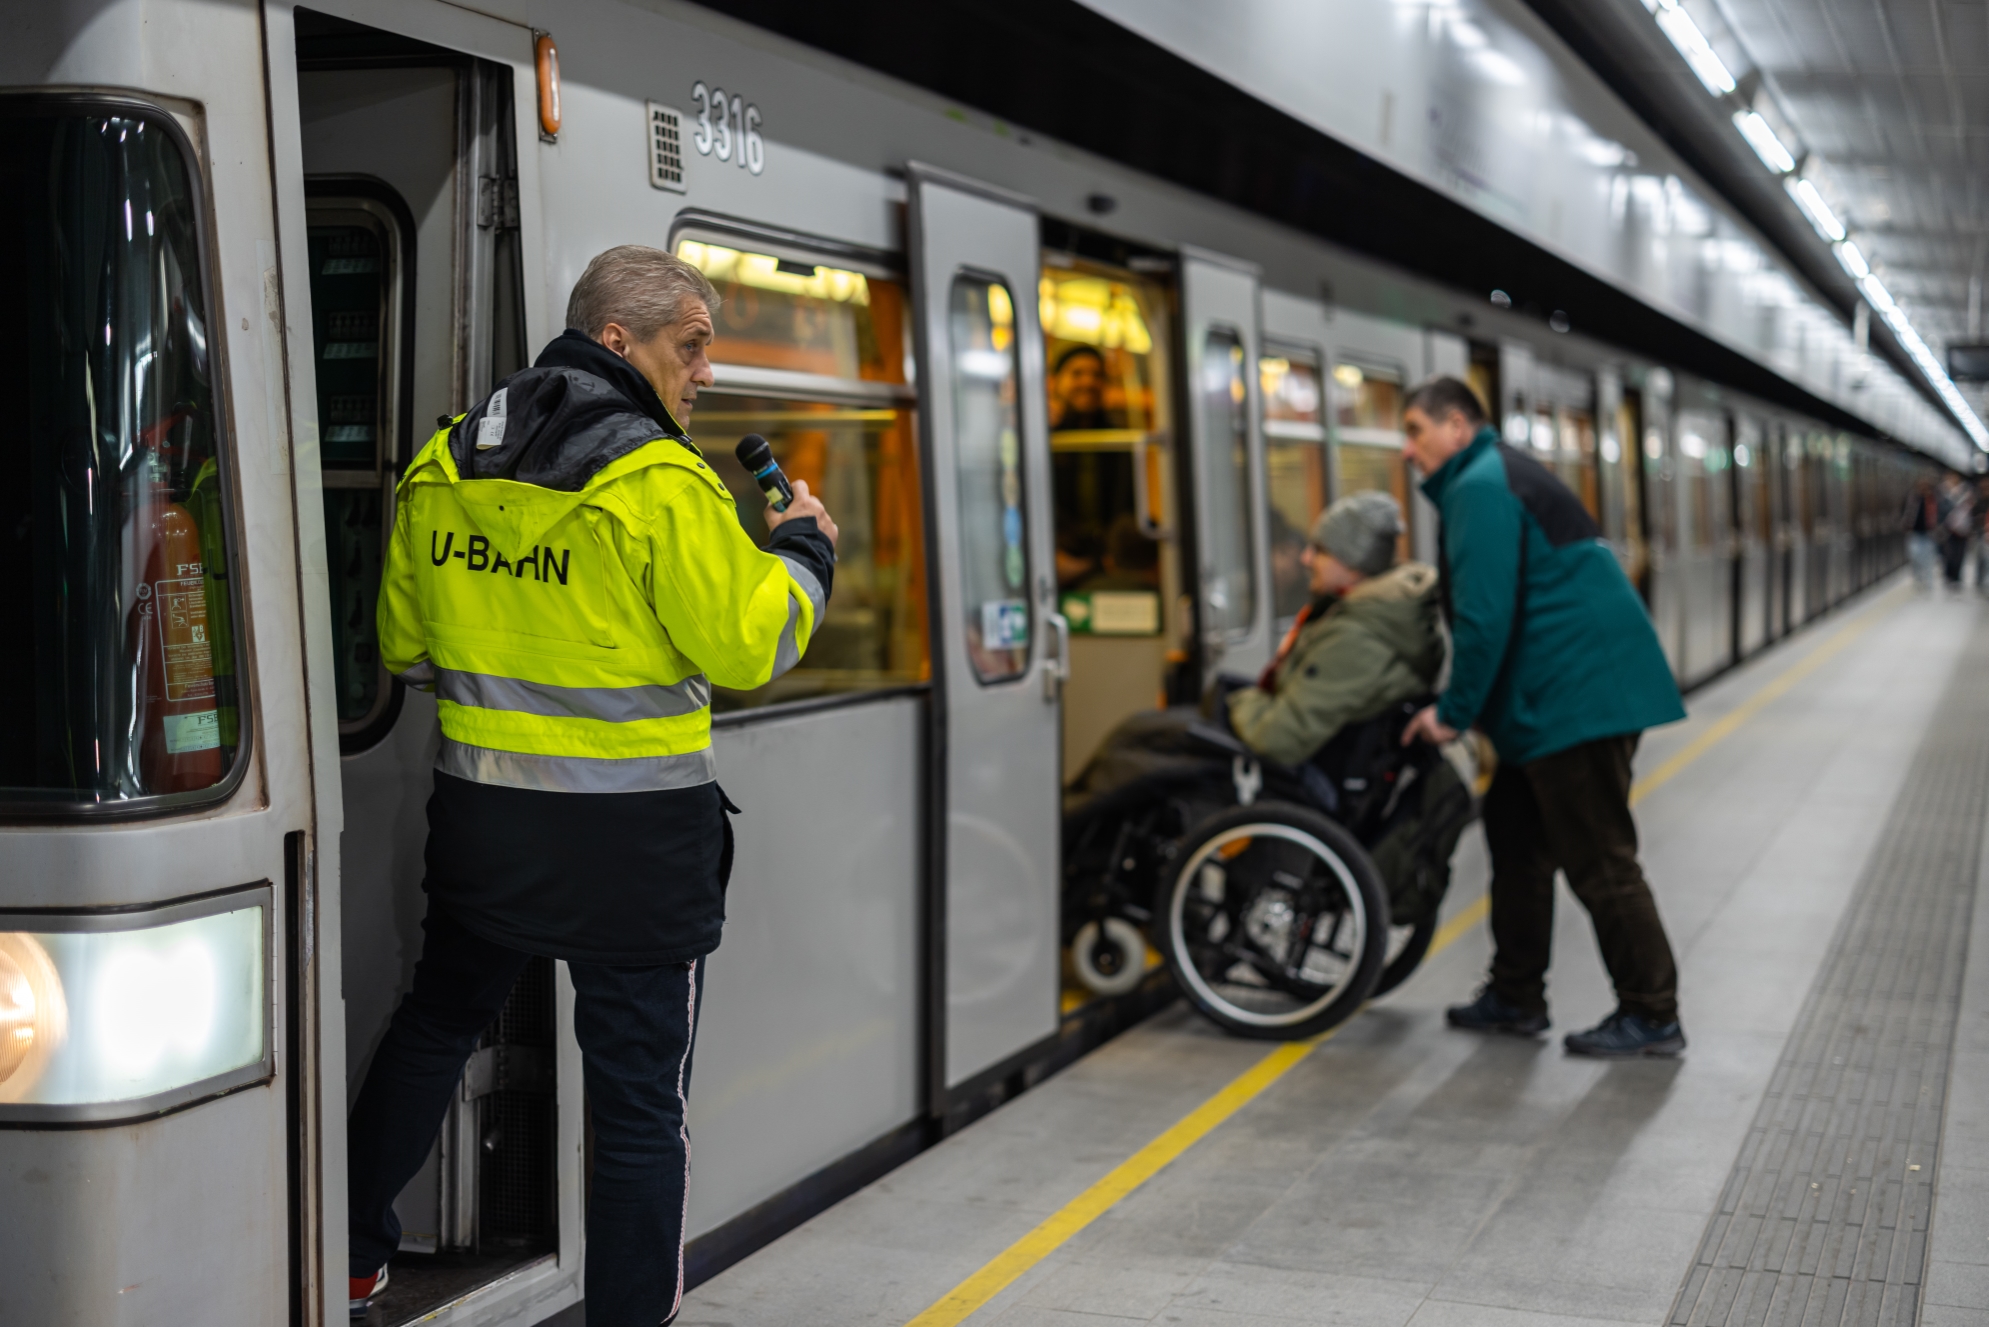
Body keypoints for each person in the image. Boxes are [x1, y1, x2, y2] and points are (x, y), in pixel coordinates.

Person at [345, 246, 839, 1325]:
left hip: (485, 827)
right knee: (635, 1108)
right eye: (691, 346)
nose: (704, 372)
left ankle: (349, 1249)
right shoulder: (659, 480)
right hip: (634, 848)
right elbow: (748, 643)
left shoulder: (443, 466)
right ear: (618, 340)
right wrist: (804, 557)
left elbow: (404, 645)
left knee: (438, 1019)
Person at [1398, 377, 1688, 1059]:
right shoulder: (1490, 476)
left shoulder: (1478, 486)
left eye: (1415, 429)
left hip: (1575, 700)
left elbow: (1484, 615)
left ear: (1457, 428)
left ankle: (1651, 1012)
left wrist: (1453, 712)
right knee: (1517, 840)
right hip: (1553, 700)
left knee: (1599, 859)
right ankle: (1515, 994)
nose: (1406, 448)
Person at [1227, 491, 1442, 768]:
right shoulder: (1379, 616)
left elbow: (1277, 739)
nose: (1305, 559)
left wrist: (1238, 701)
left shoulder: (1357, 637)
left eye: (1320, 551)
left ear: (1353, 567)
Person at [1048, 345, 1115, 431]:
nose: (1088, 382)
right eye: (1077, 373)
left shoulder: (1115, 436)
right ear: (1054, 380)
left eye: (1097, 375)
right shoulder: (1039, 433)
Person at [1937, 471, 1975, 592]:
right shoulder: (1942, 493)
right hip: (1948, 531)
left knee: (1960, 555)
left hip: (1963, 531)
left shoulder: (1966, 493)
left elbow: (1971, 511)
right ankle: (1949, 576)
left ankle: (1957, 579)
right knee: (1949, 555)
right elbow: (1940, 512)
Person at [1903, 477, 1939, 591]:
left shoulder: (1933, 499)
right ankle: (1918, 579)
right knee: (1914, 557)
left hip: (1929, 534)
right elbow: (1905, 513)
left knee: (1928, 559)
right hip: (1915, 533)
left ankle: (1928, 582)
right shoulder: (1912, 499)